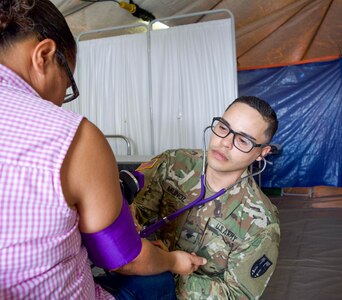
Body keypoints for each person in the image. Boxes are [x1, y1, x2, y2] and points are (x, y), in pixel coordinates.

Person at [0, 1, 206, 299]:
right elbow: (124, 259)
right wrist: (175, 260)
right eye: (69, 83)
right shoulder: (71, 136)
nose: (61, 100)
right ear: (44, 55)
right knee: (157, 283)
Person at [133, 96, 280, 299]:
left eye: (243, 140)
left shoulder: (261, 224)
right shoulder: (172, 164)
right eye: (223, 127)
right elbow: (130, 211)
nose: (225, 143)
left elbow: (237, 295)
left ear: (261, 153)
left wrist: (164, 265)